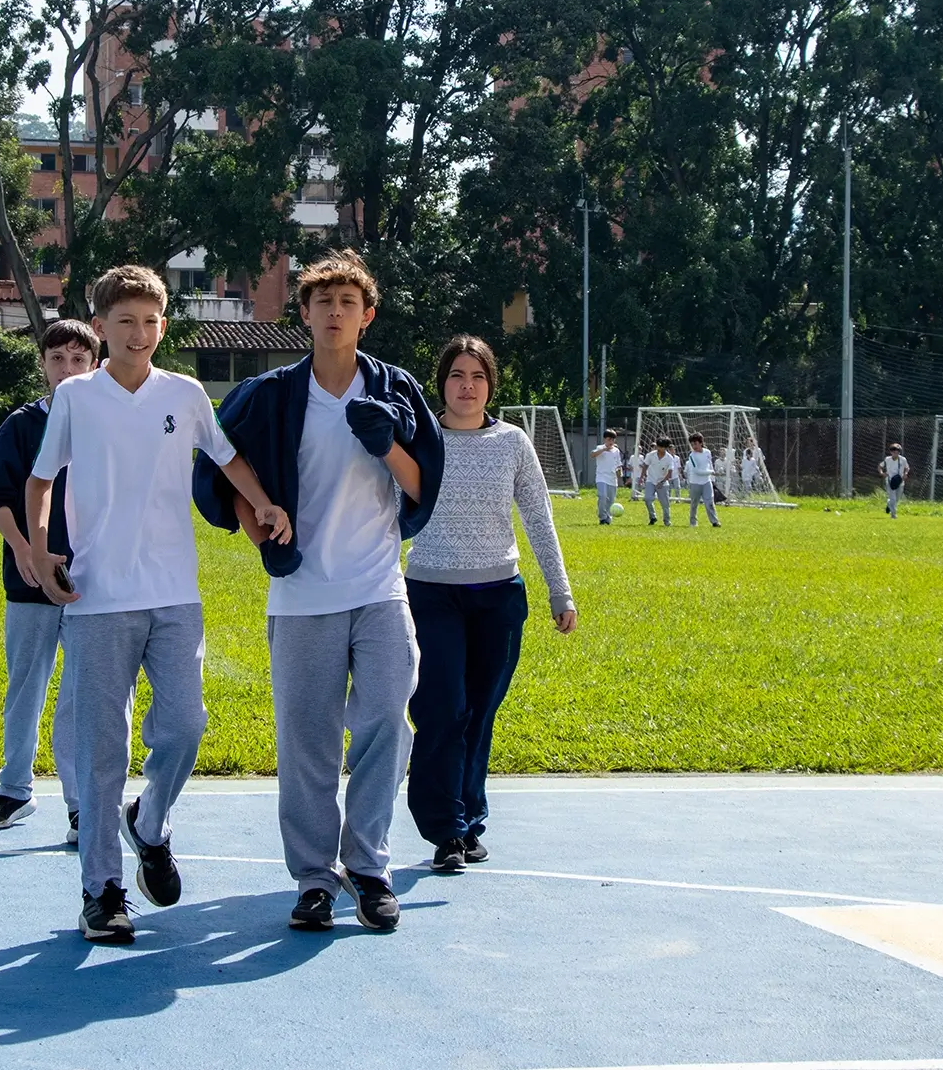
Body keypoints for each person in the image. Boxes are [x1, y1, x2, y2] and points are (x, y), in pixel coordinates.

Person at [26, 265, 292, 945]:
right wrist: (38, 549)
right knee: (101, 749)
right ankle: (103, 892)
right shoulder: (77, 399)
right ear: (101, 327)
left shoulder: (187, 392)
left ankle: (150, 820)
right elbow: (40, 480)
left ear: (163, 326)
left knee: (186, 724)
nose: (138, 334)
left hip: (176, 595)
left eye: (150, 322)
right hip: (97, 599)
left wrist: (260, 501)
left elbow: (228, 458)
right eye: (124, 322)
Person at [193, 250, 445, 935]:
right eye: (321, 301)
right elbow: (217, 466)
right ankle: (312, 876)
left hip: (378, 588)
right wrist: (261, 531)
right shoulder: (271, 395)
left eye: (347, 302)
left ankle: (368, 865)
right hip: (303, 595)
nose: (334, 313)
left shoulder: (394, 388)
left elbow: (424, 485)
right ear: (302, 313)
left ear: (368, 314)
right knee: (307, 743)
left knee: (387, 720)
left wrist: (386, 442)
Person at [404, 335, 575, 873]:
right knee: (440, 708)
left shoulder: (513, 443)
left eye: (477, 377)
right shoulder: (418, 438)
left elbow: (539, 518)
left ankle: (469, 817)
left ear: (491, 385)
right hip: (431, 594)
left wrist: (559, 589)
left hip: (498, 597)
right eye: (457, 375)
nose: (467, 386)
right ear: (442, 383)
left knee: (479, 713)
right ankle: (446, 829)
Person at [0, 318, 97, 843]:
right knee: (26, 686)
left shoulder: (108, 420)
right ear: (42, 365)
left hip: (95, 582)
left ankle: (80, 802)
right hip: (29, 580)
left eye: (77, 359)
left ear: (94, 363)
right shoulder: (23, 425)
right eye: (57, 359)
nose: (67, 369)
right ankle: (15, 788)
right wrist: (26, 548)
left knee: (82, 696)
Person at [684, 433, 720, 527]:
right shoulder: (692, 456)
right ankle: (693, 522)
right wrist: (711, 472)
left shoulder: (707, 452)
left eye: (695, 443)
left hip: (706, 482)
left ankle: (714, 522)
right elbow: (697, 471)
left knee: (710, 502)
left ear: (701, 443)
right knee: (694, 504)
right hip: (695, 482)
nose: (694, 446)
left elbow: (709, 464)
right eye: (692, 444)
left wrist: (712, 478)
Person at [642, 437, 679, 525]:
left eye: (661, 447)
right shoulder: (650, 455)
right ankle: (653, 517)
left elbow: (670, 473)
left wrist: (662, 482)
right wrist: (641, 477)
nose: (659, 449)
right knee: (647, 499)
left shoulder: (669, 458)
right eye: (658, 446)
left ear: (666, 447)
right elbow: (645, 465)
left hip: (663, 482)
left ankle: (667, 521)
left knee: (665, 504)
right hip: (650, 480)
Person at [590, 430, 624, 524]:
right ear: (605, 439)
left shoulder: (616, 451)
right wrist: (604, 449)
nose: (611, 442)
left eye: (613, 439)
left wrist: (620, 475)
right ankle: (602, 517)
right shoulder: (600, 448)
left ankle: (608, 518)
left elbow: (618, 464)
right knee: (602, 496)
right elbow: (592, 455)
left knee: (611, 500)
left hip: (612, 479)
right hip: (601, 477)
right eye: (609, 439)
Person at [878, 443, 910, 517]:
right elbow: (880, 466)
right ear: (891, 452)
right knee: (893, 498)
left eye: (897, 452)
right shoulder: (887, 459)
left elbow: (907, 467)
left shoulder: (903, 459)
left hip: (900, 481)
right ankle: (893, 514)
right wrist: (882, 473)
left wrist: (905, 473)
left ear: (899, 452)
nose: (895, 453)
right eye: (894, 452)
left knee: (897, 498)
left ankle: (889, 504)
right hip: (890, 481)